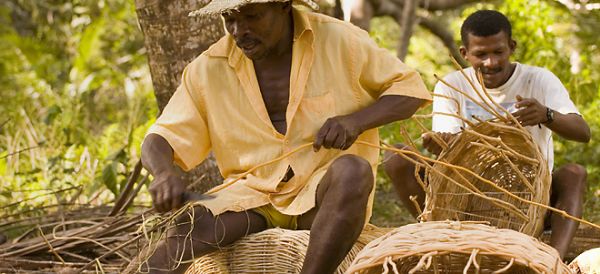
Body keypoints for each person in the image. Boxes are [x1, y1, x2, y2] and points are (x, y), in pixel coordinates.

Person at [140, 0, 431, 273]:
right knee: (191, 225)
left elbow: (410, 90)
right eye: (230, 19)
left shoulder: (340, 40)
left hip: (322, 195)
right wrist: (163, 174)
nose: (239, 31)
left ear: (283, 5)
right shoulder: (208, 68)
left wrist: (355, 121)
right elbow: (159, 138)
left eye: (252, 16)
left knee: (353, 170)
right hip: (252, 195)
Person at [384, 9, 590, 260]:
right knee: (397, 159)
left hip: (532, 199)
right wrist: (441, 146)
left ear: (512, 47)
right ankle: (435, 232)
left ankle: (552, 260)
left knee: (574, 174)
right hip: (466, 200)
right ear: (465, 53)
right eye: (481, 54)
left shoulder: (539, 79)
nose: (491, 63)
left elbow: (582, 132)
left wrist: (547, 115)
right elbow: (447, 149)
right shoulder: (452, 85)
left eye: (498, 52)